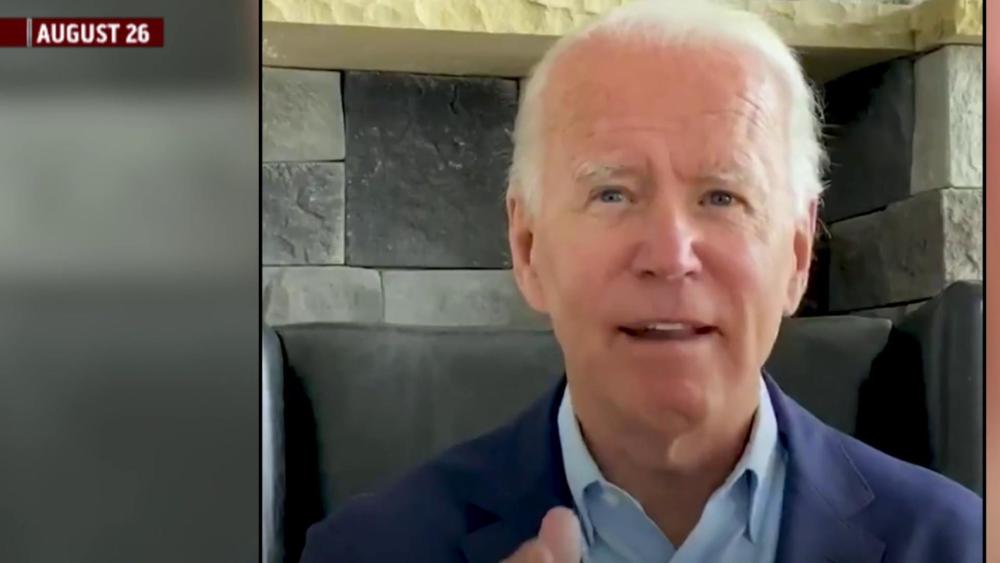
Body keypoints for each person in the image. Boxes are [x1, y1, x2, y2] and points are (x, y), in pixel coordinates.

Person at [299, 1, 983, 561]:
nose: (670, 254)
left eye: (722, 196)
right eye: (613, 194)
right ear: (528, 247)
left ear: (798, 254)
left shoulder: (959, 543)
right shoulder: (368, 549)